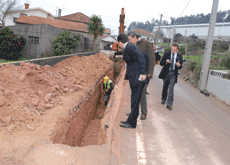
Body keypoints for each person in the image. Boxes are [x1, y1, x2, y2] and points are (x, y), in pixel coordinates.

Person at [118, 33, 147, 129]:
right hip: (134, 77)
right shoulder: (130, 47)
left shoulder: (129, 47)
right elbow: (132, 62)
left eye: (118, 44)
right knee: (134, 100)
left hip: (137, 78)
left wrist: (143, 73)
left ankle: (132, 123)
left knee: (135, 100)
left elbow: (142, 58)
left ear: (119, 42)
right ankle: (130, 120)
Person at [127, 31, 155, 120]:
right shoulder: (133, 46)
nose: (129, 41)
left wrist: (150, 73)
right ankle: (134, 112)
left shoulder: (145, 43)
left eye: (130, 39)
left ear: (135, 37)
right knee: (135, 92)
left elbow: (152, 57)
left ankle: (144, 113)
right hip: (136, 73)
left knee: (142, 92)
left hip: (145, 73)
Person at [158, 43, 183, 110]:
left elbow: (180, 66)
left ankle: (169, 104)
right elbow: (161, 63)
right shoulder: (167, 54)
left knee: (171, 88)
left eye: (174, 50)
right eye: (172, 49)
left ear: (177, 50)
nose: (173, 51)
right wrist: (166, 61)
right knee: (165, 87)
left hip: (174, 74)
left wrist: (179, 65)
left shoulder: (179, 56)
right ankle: (163, 99)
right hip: (166, 73)